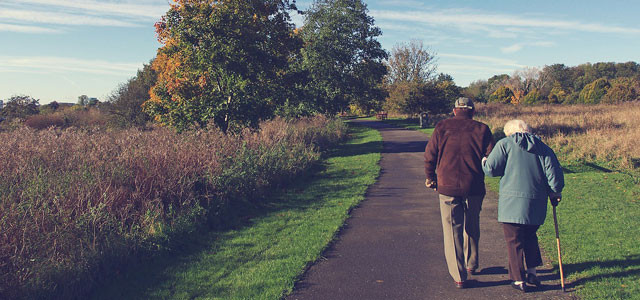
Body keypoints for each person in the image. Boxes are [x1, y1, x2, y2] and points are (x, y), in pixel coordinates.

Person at [482, 119, 564, 293]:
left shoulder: (504, 144)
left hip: (511, 204)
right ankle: (532, 272)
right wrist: (555, 192)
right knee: (530, 236)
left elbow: (491, 170)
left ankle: (518, 279)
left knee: (514, 241)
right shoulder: (543, 147)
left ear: (509, 132)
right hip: (536, 202)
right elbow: (554, 176)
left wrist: (484, 161)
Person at [424, 97, 495, 289]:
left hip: (447, 186)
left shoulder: (442, 127)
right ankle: (472, 263)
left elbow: (430, 154)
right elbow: (492, 157)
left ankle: (459, 275)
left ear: (454, 110)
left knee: (451, 230)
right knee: (472, 225)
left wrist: (430, 177)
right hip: (474, 186)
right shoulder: (482, 129)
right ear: (472, 111)